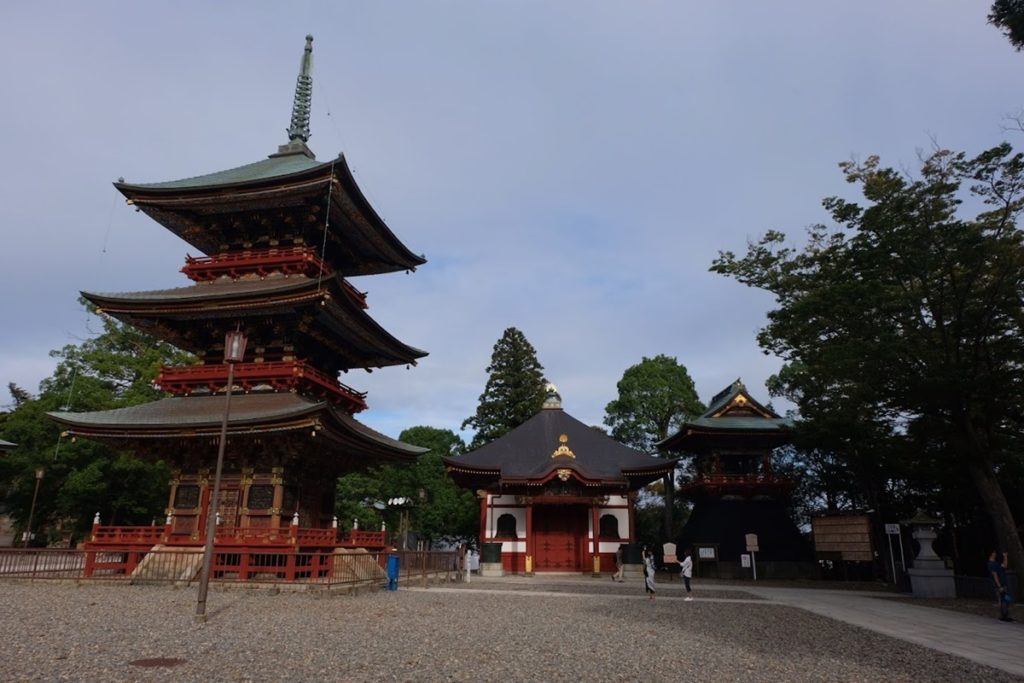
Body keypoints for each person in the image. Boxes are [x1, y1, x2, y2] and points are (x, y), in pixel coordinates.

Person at [988, 550, 1014, 622]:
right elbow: (995, 575)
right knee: (1001, 599)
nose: (995, 554)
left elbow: (1005, 566)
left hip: (1003, 584)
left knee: (1005, 599)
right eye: (994, 553)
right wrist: (999, 586)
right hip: (999, 585)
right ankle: (1003, 615)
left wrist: (1005, 557)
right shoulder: (991, 564)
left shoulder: (996, 563)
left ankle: (1005, 614)